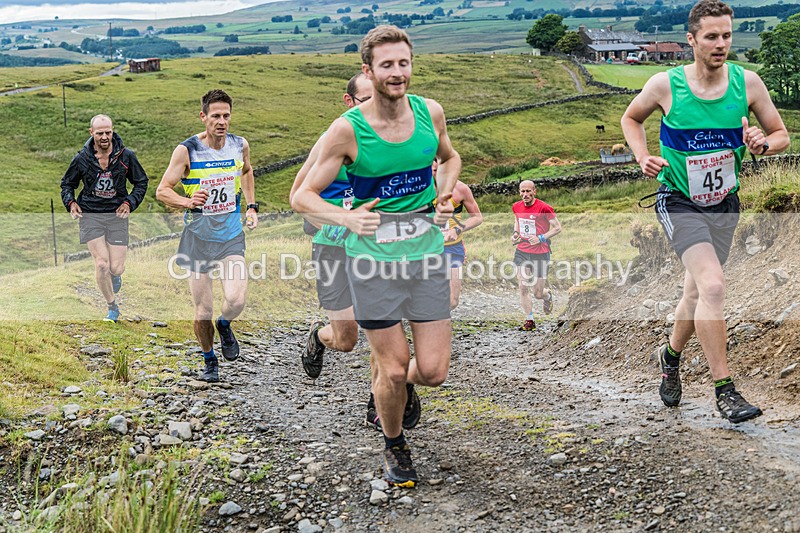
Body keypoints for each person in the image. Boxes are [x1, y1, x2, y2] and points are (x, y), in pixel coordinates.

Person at [292, 25, 461, 488]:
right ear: (369, 70)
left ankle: (389, 390)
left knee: (432, 371)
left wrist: (444, 194)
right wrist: (346, 220)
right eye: (386, 65)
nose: (397, 72)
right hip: (370, 263)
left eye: (403, 62)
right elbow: (301, 195)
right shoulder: (348, 130)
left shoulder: (431, 113)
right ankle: (394, 443)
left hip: (426, 257)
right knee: (389, 366)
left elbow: (449, 159)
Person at [621, 0, 789, 423]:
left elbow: (781, 133)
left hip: (725, 203)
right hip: (678, 200)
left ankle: (670, 355)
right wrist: (643, 156)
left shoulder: (747, 83)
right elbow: (631, 118)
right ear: (691, 40)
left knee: (695, 293)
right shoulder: (665, 85)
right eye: (711, 36)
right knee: (713, 287)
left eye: (727, 35)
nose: (721, 44)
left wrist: (763, 144)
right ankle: (724, 390)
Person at [156, 89, 259, 383]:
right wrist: (188, 202)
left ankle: (225, 325)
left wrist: (251, 207)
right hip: (198, 238)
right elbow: (163, 190)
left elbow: (248, 172)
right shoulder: (187, 150)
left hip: (230, 236)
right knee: (203, 309)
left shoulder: (240, 145)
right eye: (215, 116)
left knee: (236, 299)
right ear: (203, 117)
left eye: (226, 115)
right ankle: (209, 359)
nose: (222, 121)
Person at [289, 73, 372, 380]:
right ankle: (319, 336)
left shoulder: (391, 139)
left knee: (385, 326)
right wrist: (332, 225)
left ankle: (386, 400)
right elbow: (298, 195)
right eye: (368, 100)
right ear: (349, 101)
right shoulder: (331, 140)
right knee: (347, 339)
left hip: (377, 248)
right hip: (333, 248)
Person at [60, 114, 149, 322]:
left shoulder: (126, 156)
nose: (104, 137)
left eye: (108, 132)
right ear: (91, 133)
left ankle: (115, 276)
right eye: (99, 133)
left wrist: (129, 203)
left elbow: (141, 182)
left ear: (113, 131)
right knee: (101, 264)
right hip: (90, 214)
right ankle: (112, 306)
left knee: (116, 268)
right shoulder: (82, 158)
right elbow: (67, 184)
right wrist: (71, 203)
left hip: (117, 215)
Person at [512, 180, 561, 330]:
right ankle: (530, 320)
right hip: (522, 251)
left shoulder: (544, 208)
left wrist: (541, 238)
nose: (525, 194)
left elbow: (558, 228)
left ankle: (547, 296)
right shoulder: (516, 206)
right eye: (522, 191)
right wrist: (515, 234)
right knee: (522, 286)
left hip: (541, 253)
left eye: (528, 191)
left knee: (538, 293)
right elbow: (517, 221)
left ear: (534, 191)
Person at [440, 176, 483, 310]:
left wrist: (457, 229)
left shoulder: (460, 188)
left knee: (452, 301)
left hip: (453, 248)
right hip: (427, 249)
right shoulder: (418, 189)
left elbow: (477, 217)